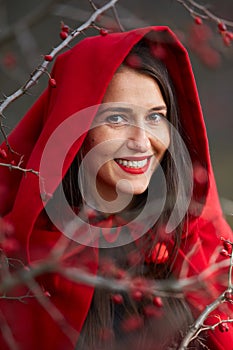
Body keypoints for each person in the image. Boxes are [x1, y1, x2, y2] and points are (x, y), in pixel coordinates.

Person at [0, 26, 232, 350]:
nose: (141, 143)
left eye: (155, 118)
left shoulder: (195, 247)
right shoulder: (21, 261)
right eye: (118, 119)